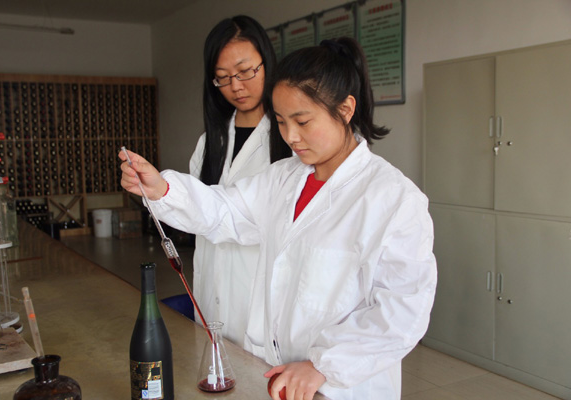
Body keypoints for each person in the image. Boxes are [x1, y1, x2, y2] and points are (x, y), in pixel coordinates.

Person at [120, 37, 437, 400]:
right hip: (271, 373)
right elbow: (226, 211)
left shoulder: (393, 199)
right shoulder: (284, 178)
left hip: (341, 387)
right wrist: (162, 189)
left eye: (302, 121)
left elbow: (402, 311)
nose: (290, 137)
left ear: (346, 109)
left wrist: (323, 366)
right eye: (282, 122)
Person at [189, 15, 291, 345]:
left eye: (246, 72)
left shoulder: (289, 140)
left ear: (267, 63)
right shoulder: (209, 143)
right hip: (211, 298)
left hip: (263, 305)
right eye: (223, 77)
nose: (235, 86)